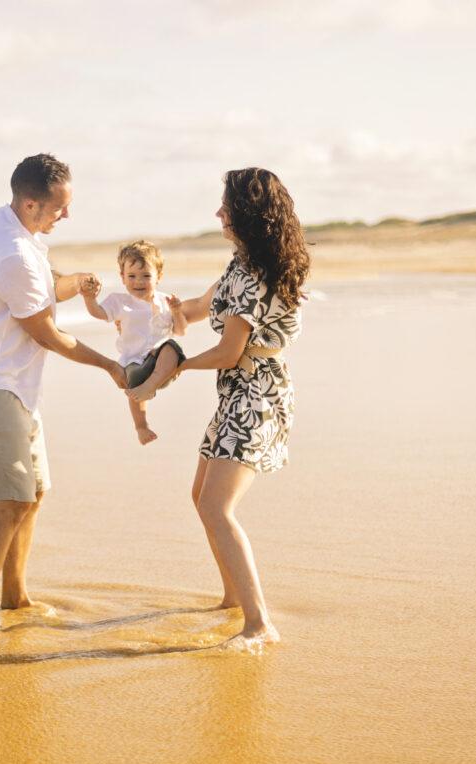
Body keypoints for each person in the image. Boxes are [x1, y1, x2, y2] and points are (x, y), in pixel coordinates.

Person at [0, 153, 127, 641]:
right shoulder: (14, 255)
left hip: (15, 387)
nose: (65, 216)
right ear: (30, 204)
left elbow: (42, 292)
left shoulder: (9, 228)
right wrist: (109, 364)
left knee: (34, 493)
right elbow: (47, 332)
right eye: (59, 208)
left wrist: (78, 282)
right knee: (9, 500)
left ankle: (15, 597)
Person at [174, 167, 309, 647]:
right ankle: (233, 598)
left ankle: (259, 624)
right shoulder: (240, 263)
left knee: (217, 506)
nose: (218, 213)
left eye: (225, 206)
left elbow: (229, 352)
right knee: (201, 497)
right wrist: (145, 306)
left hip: (255, 395)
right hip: (237, 393)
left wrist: (175, 368)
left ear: (246, 214)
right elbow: (194, 309)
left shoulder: (254, 274)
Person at [80, 239, 187, 445]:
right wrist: (89, 298)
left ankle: (151, 385)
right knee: (133, 382)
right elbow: (99, 313)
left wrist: (176, 311)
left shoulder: (166, 301)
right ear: (122, 277)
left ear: (159, 277)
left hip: (163, 365)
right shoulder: (119, 301)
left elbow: (180, 331)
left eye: (146, 276)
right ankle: (141, 426)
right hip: (134, 364)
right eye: (132, 276)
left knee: (171, 346)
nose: (139, 281)